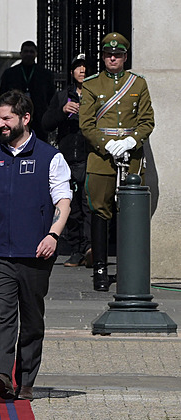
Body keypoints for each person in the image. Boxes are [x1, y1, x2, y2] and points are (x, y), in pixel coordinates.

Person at [0, 90, 72, 401]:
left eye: (6, 118)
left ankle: (25, 380)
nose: (0, 124)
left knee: (31, 317)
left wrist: (52, 235)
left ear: (25, 119)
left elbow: (63, 201)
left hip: (35, 252)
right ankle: (1, 375)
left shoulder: (50, 157)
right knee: (1, 314)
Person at [79, 32, 155, 292]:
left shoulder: (138, 84)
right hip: (101, 159)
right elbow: (86, 123)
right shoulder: (91, 85)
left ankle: (129, 269)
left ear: (125, 57)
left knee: (130, 213)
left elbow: (147, 121)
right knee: (100, 212)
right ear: (103, 57)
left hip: (131, 159)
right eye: (109, 54)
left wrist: (131, 142)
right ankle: (100, 269)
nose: (113, 58)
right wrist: (107, 144)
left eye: (118, 54)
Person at [42, 53, 92, 267]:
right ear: (71, 72)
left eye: (85, 67)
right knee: (71, 207)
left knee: (90, 206)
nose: (82, 70)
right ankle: (76, 249)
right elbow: (46, 123)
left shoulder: (96, 95)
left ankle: (91, 248)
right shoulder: (63, 96)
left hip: (90, 157)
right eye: (78, 67)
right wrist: (63, 111)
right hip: (68, 159)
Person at [0, 41, 55, 141]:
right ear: (21, 53)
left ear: (36, 54)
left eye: (31, 52)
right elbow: (3, 94)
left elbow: (51, 96)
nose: (28, 54)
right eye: (26, 51)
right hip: (16, 113)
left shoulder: (45, 74)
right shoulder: (10, 73)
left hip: (39, 116)